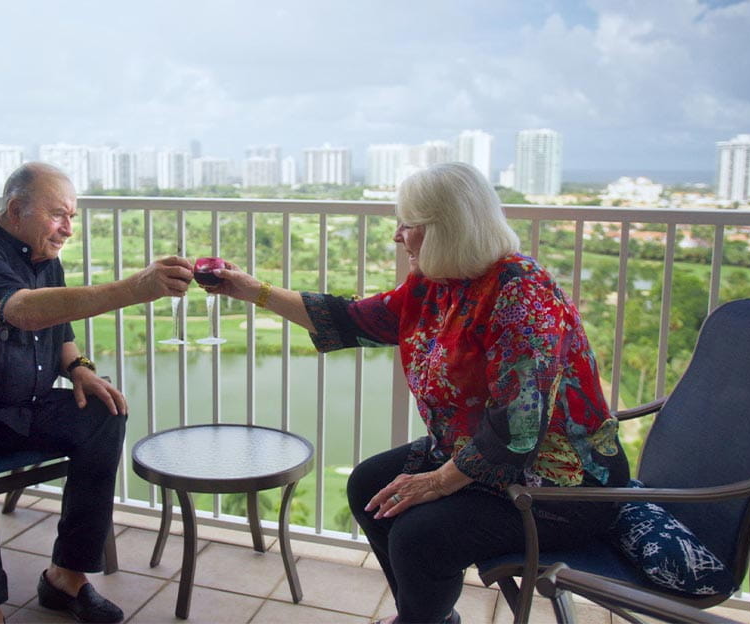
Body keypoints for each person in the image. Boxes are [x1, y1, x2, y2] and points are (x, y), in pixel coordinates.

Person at [200, 162, 629, 624]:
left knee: (420, 536)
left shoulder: (522, 295)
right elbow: (352, 318)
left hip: (561, 488)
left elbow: (518, 429)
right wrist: (251, 290)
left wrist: (437, 481)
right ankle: (429, 617)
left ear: (447, 228)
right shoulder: (436, 285)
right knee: (369, 486)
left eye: (408, 225)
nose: (397, 236)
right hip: (487, 464)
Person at [0, 162, 193, 624]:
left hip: (24, 405)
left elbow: (58, 328)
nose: (68, 229)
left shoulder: (44, 258)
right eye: (59, 215)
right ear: (16, 209)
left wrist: (78, 367)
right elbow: (23, 312)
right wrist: (137, 287)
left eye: (73, 217)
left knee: (104, 412)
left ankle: (66, 575)